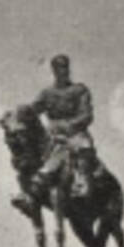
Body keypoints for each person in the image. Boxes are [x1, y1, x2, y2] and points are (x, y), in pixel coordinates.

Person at [31, 55, 97, 198]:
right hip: (53, 134)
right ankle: (29, 193)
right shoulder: (46, 93)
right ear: (53, 70)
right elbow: (32, 111)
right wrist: (20, 114)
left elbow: (87, 114)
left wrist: (68, 125)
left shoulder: (79, 90)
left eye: (65, 67)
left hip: (75, 133)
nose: (63, 71)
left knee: (84, 146)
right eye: (59, 68)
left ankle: (82, 183)